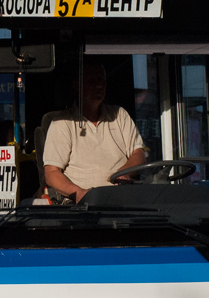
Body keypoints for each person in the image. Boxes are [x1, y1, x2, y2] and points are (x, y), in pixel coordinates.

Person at [42, 62, 145, 203]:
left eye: (102, 80)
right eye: (92, 81)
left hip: (122, 197)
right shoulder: (62, 122)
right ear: (77, 85)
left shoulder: (120, 115)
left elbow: (138, 153)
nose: (99, 85)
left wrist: (123, 173)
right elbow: (51, 173)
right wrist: (80, 194)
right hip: (83, 204)